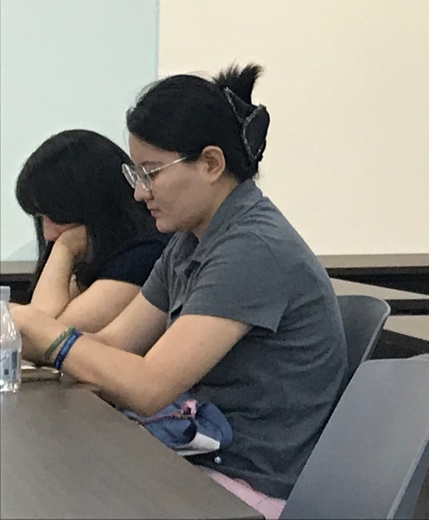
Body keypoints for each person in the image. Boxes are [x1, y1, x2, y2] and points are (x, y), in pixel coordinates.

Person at [12, 64, 346, 518]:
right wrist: (29, 332)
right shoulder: (190, 243)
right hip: (197, 457)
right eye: (136, 175)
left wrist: (45, 332)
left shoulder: (252, 249)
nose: (139, 193)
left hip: (244, 484)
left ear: (211, 163)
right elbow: (112, 344)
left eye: (150, 173)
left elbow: (148, 386)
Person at [16, 130, 169, 333]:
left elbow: (44, 335)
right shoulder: (93, 259)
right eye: (40, 218)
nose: (48, 234)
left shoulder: (145, 255)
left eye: (54, 216)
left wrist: (65, 247)